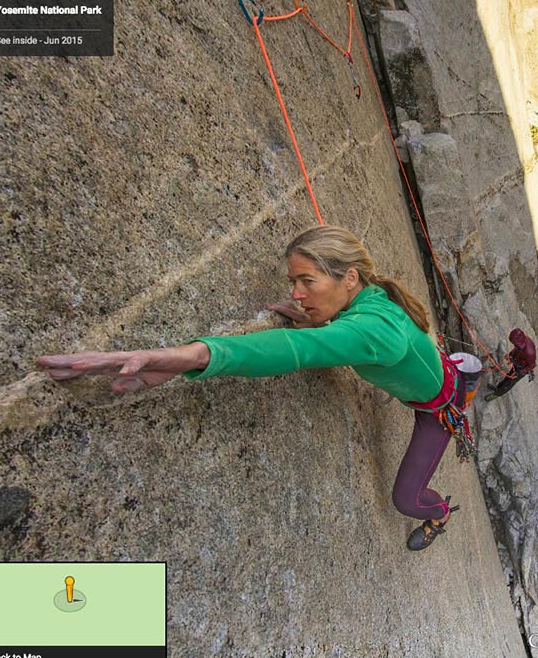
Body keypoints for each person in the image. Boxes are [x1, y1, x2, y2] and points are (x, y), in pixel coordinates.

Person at [37, 225, 465, 551]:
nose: (296, 295)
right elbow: (340, 329)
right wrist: (322, 317)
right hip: (436, 373)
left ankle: (440, 513)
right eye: (293, 282)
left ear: (349, 277)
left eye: (307, 282)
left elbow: (295, 349)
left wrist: (188, 357)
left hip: (439, 407)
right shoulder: (369, 298)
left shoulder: (376, 331)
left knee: (406, 500)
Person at [483, 328, 535, 402]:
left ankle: (497, 394)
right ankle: (497, 388)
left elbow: (531, 366)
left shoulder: (530, 352)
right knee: (507, 378)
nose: (514, 344)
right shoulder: (521, 341)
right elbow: (516, 349)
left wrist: (519, 372)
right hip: (517, 363)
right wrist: (510, 356)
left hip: (522, 369)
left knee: (509, 383)